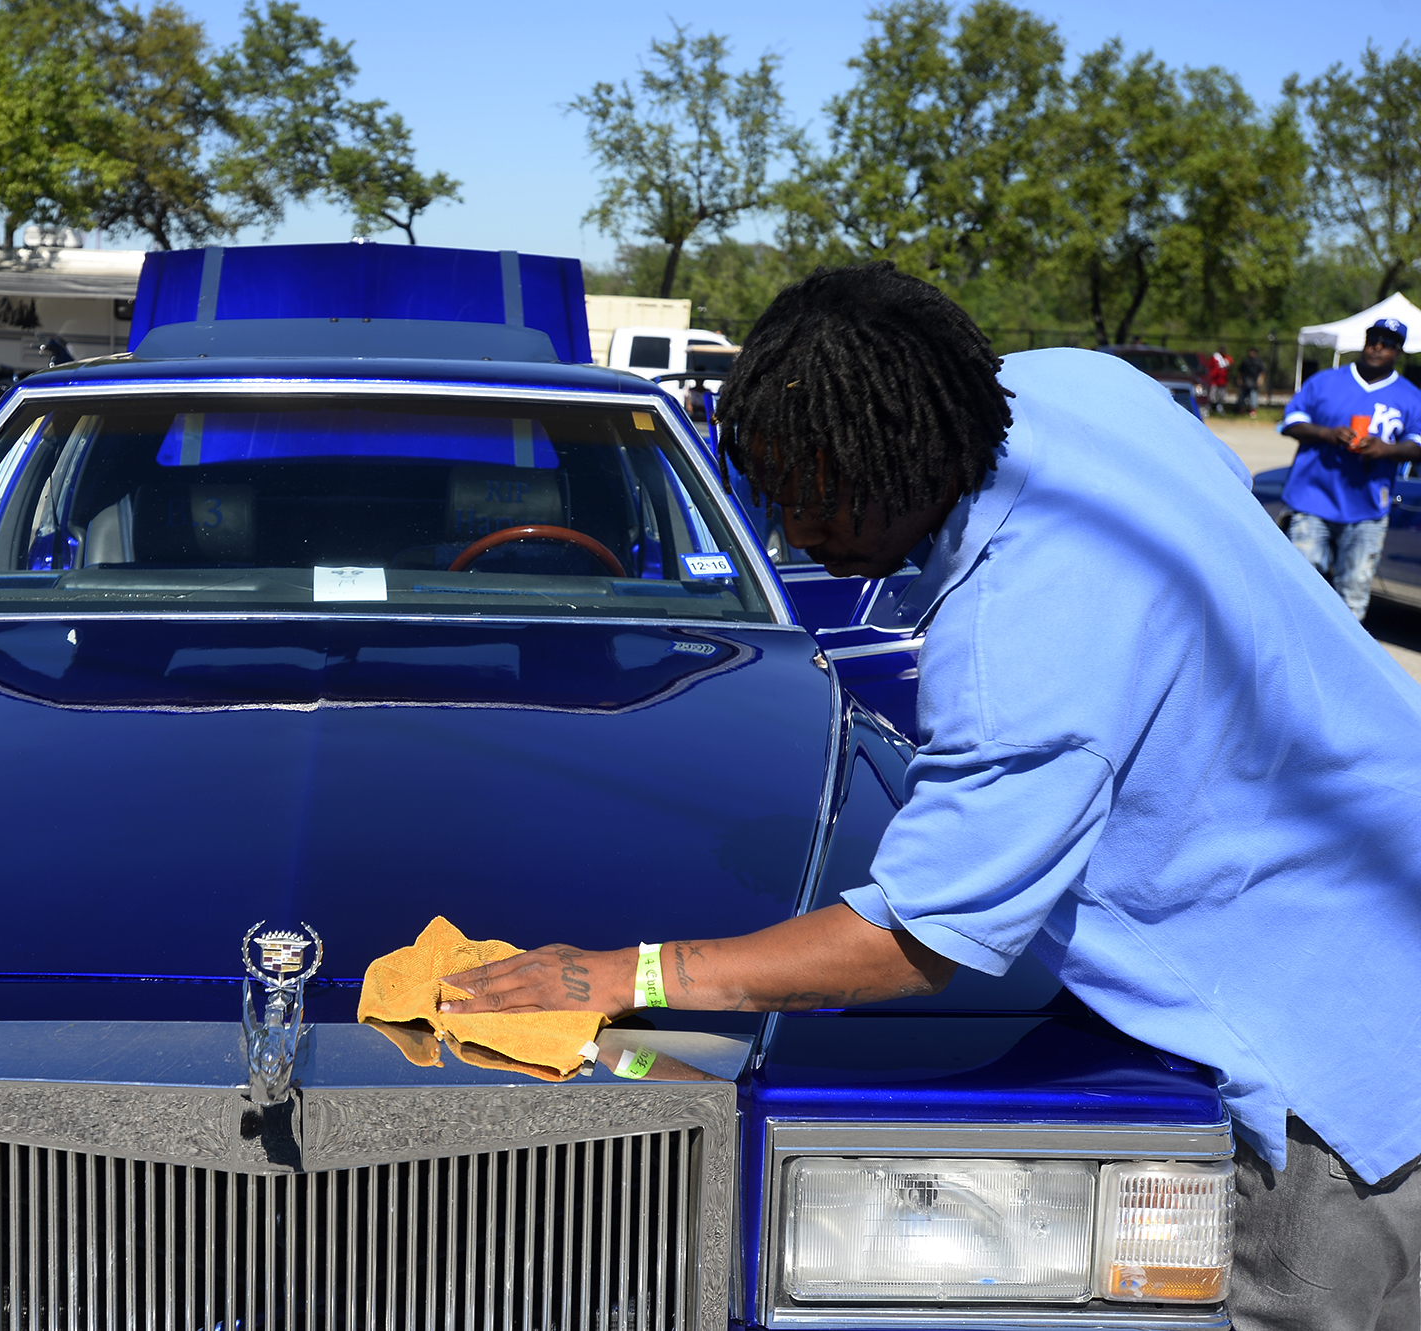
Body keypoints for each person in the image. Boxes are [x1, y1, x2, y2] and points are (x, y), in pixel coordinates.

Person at [441, 264, 1421, 1331]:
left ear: (893, 463)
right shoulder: (1076, 387)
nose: (789, 533)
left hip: (1330, 1060)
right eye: (762, 491)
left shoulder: (1016, 637)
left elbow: (913, 938)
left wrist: (619, 973)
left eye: (808, 499)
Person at [1277, 317, 1421, 621]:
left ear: (1399, 351)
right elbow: (1290, 423)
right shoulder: (1326, 382)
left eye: (1388, 343)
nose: (1378, 347)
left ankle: (1337, 665)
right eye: (1373, 339)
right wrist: (1327, 434)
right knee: (1298, 585)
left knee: (1352, 596)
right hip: (1312, 500)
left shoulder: (1410, 396)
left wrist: (1387, 449)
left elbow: (1417, 445)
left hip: (1367, 508)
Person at [1239, 345, 1266, 416]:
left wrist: (1260, 379)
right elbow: (1240, 371)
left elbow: (1262, 372)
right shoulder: (1245, 361)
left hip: (1254, 382)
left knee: (1253, 395)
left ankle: (1252, 410)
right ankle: (1241, 409)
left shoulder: (1259, 362)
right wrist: (1240, 379)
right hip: (1246, 381)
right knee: (1242, 396)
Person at [1207, 343, 1232, 415]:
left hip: (1222, 380)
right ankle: (1210, 408)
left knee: (1221, 395)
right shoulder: (1215, 357)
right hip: (1214, 380)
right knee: (1212, 394)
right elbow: (1210, 366)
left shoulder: (1227, 358)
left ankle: (1219, 407)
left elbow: (1230, 364)